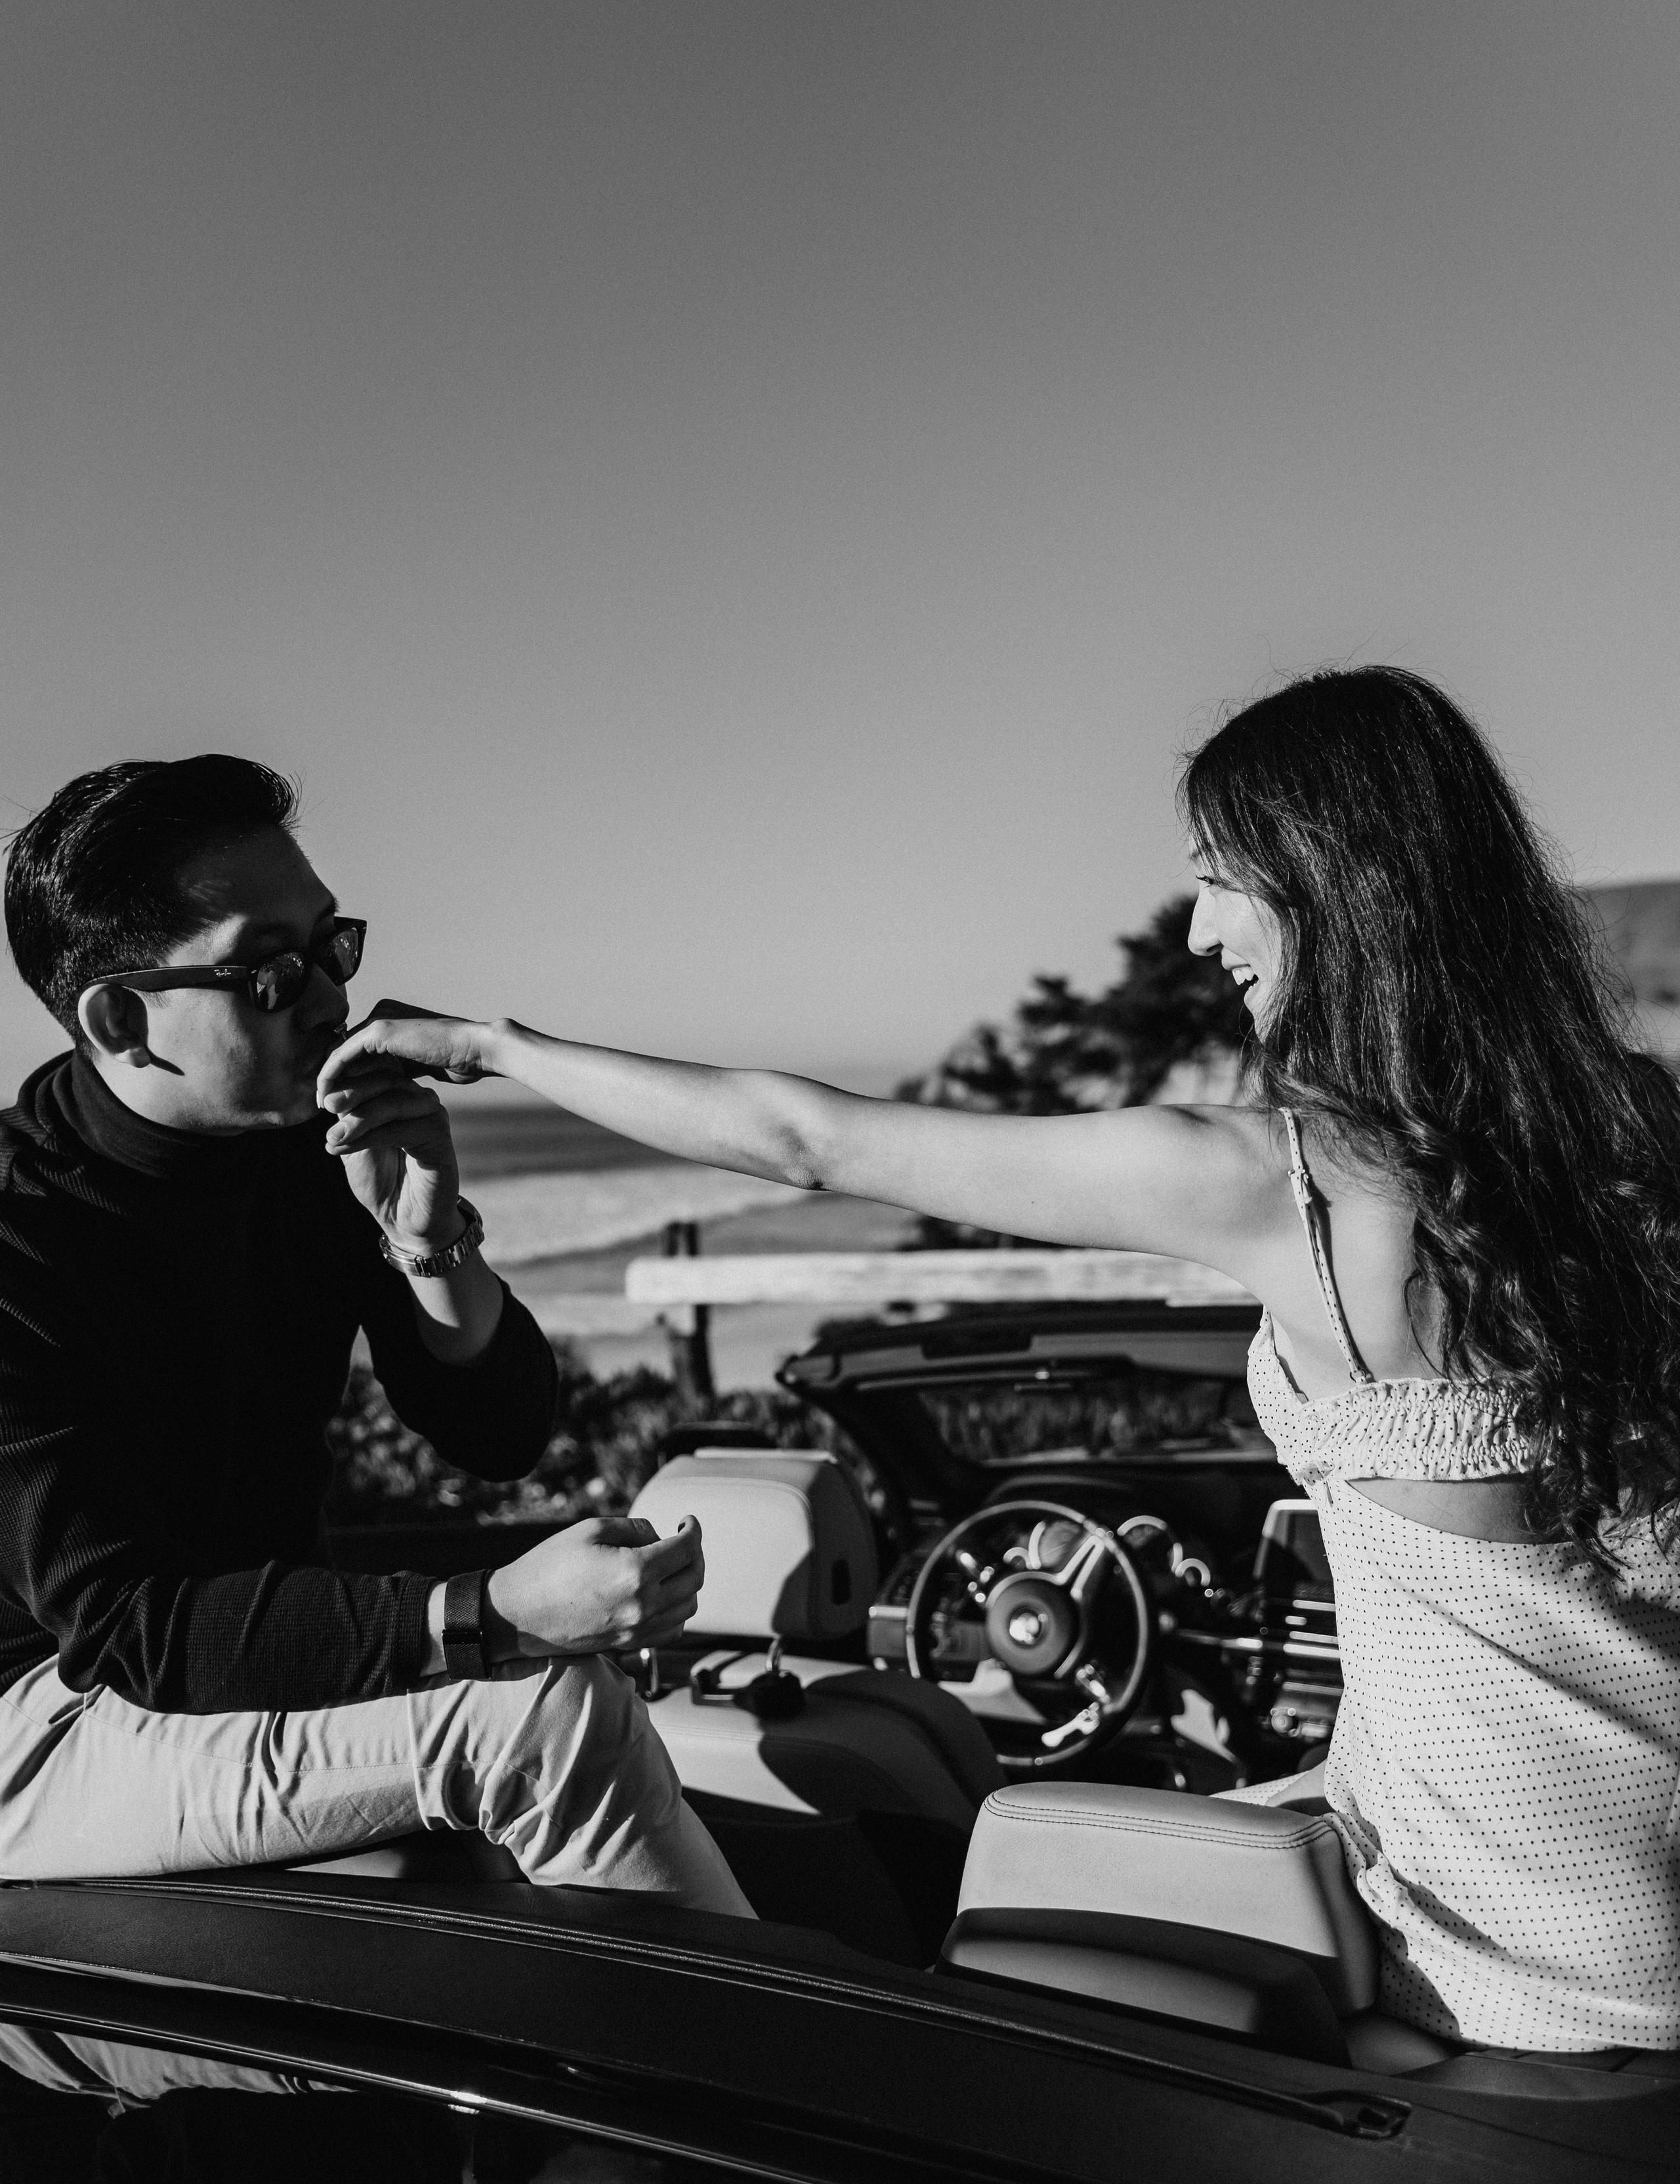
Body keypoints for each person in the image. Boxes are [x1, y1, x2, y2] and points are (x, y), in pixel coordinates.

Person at [320, 665, 1680, 2055]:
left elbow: (805, 1140)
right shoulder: (1628, 1148)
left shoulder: (1285, 1191)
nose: (1201, 932)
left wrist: (496, 1047)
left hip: (1510, 1928)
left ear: (1332, 884)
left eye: (1219, 881)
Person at [0, 755, 747, 1912]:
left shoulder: (304, 1145)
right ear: (121, 1017)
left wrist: (428, 1235)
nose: (329, 996)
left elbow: (500, 1437)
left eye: (331, 945)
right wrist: (491, 1614)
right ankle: (778, 2084)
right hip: (41, 1717)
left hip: (216, 1662)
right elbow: (128, 1628)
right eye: (269, 968)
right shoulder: (17, 1243)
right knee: (544, 1712)